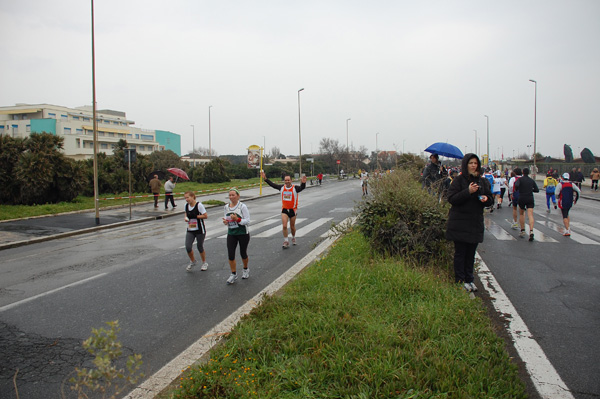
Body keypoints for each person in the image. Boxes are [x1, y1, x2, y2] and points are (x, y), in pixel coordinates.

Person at [445, 153, 494, 292]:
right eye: (471, 163)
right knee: (460, 253)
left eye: (475, 163)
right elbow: (452, 198)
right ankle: (460, 280)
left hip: (475, 222)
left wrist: (486, 199)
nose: (473, 165)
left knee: (471, 254)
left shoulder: (483, 181)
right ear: (466, 165)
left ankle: (469, 279)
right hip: (460, 223)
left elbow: (490, 198)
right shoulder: (459, 181)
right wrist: (468, 191)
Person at [261, 171, 307, 248]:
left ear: (291, 180)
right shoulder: (282, 188)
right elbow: (273, 185)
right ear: (284, 181)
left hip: (293, 210)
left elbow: (302, 188)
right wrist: (265, 178)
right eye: (285, 180)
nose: (287, 181)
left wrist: (303, 183)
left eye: (288, 180)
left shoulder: (295, 188)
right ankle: (286, 241)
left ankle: (293, 237)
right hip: (285, 210)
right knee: (284, 226)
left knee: (292, 227)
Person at [222, 188, 251, 284]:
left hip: (242, 233)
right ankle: (233, 274)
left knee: (243, 253)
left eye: (233, 195)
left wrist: (237, 219)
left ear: (238, 196)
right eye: (230, 195)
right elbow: (227, 218)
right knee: (231, 254)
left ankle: (245, 269)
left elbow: (247, 221)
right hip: (231, 233)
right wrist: (226, 221)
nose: (231, 197)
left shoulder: (242, 206)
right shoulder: (226, 207)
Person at [183, 191, 208, 272]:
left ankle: (204, 263)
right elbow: (186, 214)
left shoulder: (199, 205)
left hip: (200, 229)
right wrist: (186, 218)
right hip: (190, 229)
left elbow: (205, 216)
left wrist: (196, 216)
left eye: (188, 197)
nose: (186, 199)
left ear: (193, 196)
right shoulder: (186, 205)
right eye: (185, 198)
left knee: (199, 246)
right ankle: (193, 261)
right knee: (188, 247)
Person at [514, 167, 539, 241]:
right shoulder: (531, 180)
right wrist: (531, 189)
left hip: (522, 197)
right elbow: (537, 190)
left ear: (522, 172)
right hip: (530, 197)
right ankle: (531, 231)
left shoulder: (520, 179)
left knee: (521, 214)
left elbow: (516, 185)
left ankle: (522, 230)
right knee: (530, 214)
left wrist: (517, 189)